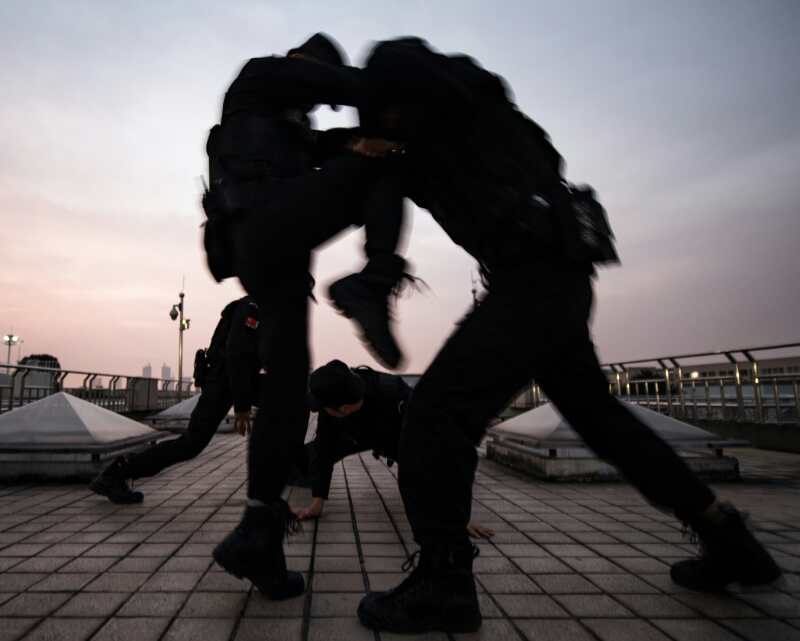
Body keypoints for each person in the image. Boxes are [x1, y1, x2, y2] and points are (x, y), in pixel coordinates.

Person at [354, 38, 781, 634]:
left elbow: (403, 138)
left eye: (384, 110)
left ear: (403, 97)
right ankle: (728, 537)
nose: (381, 124)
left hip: (530, 284)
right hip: (561, 280)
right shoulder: (484, 120)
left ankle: (443, 583)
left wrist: (369, 146)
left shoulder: (449, 127)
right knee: (600, 420)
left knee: (435, 414)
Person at [207, 33, 411, 601]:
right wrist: (403, 96)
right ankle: (375, 281)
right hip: (265, 225)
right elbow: (334, 86)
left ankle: (259, 533)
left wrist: (361, 139)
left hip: (274, 261)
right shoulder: (262, 75)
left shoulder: (290, 128)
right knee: (385, 168)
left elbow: (330, 142)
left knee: (288, 394)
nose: (317, 105)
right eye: (316, 93)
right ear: (303, 62)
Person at [291, 360, 495, 541]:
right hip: (356, 434)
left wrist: (458, 517)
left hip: (397, 436)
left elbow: (438, 453)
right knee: (301, 462)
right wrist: (316, 505)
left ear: (343, 408)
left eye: (322, 407)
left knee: (421, 468)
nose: (320, 410)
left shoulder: (397, 396)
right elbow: (323, 451)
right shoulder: (334, 404)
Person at [90, 297, 260, 504]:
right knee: (190, 444)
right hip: (222, 383)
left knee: (287, 399)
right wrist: (242, 407)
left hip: (236, 381)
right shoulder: (253, 307)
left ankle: (290, 468)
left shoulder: (265, 307)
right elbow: (237, 356)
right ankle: (117, 473)